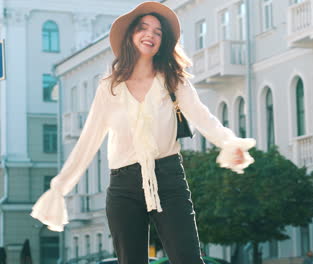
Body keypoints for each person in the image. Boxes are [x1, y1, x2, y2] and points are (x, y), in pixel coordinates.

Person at [30, 2, 256, 264]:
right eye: (143, 28)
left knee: (189, 259)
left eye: (158, 32)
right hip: (123, 186)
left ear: (163, 41)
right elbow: (88, 140)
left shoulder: (173, 79)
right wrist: (60, 186)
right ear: (131, 35)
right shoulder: (109, 87)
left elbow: (203, 117)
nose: (150, 34)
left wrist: (230, 143)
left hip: (169, 179)